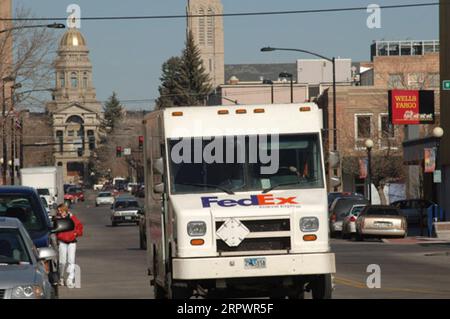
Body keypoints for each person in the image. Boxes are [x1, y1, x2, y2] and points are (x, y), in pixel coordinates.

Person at [56, 204, 83, 289]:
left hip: (72, 242)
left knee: (71, 261)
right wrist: (58, 236)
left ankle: (70, 279)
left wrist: (76, 233)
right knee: (62, 262)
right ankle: (61, 278)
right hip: (62, 242)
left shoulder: (72, 218)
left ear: (65, 210)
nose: (60, 212)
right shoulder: (57, 219)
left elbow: (79, 227)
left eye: (61, 210)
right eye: (59, 211)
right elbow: (54, 229)